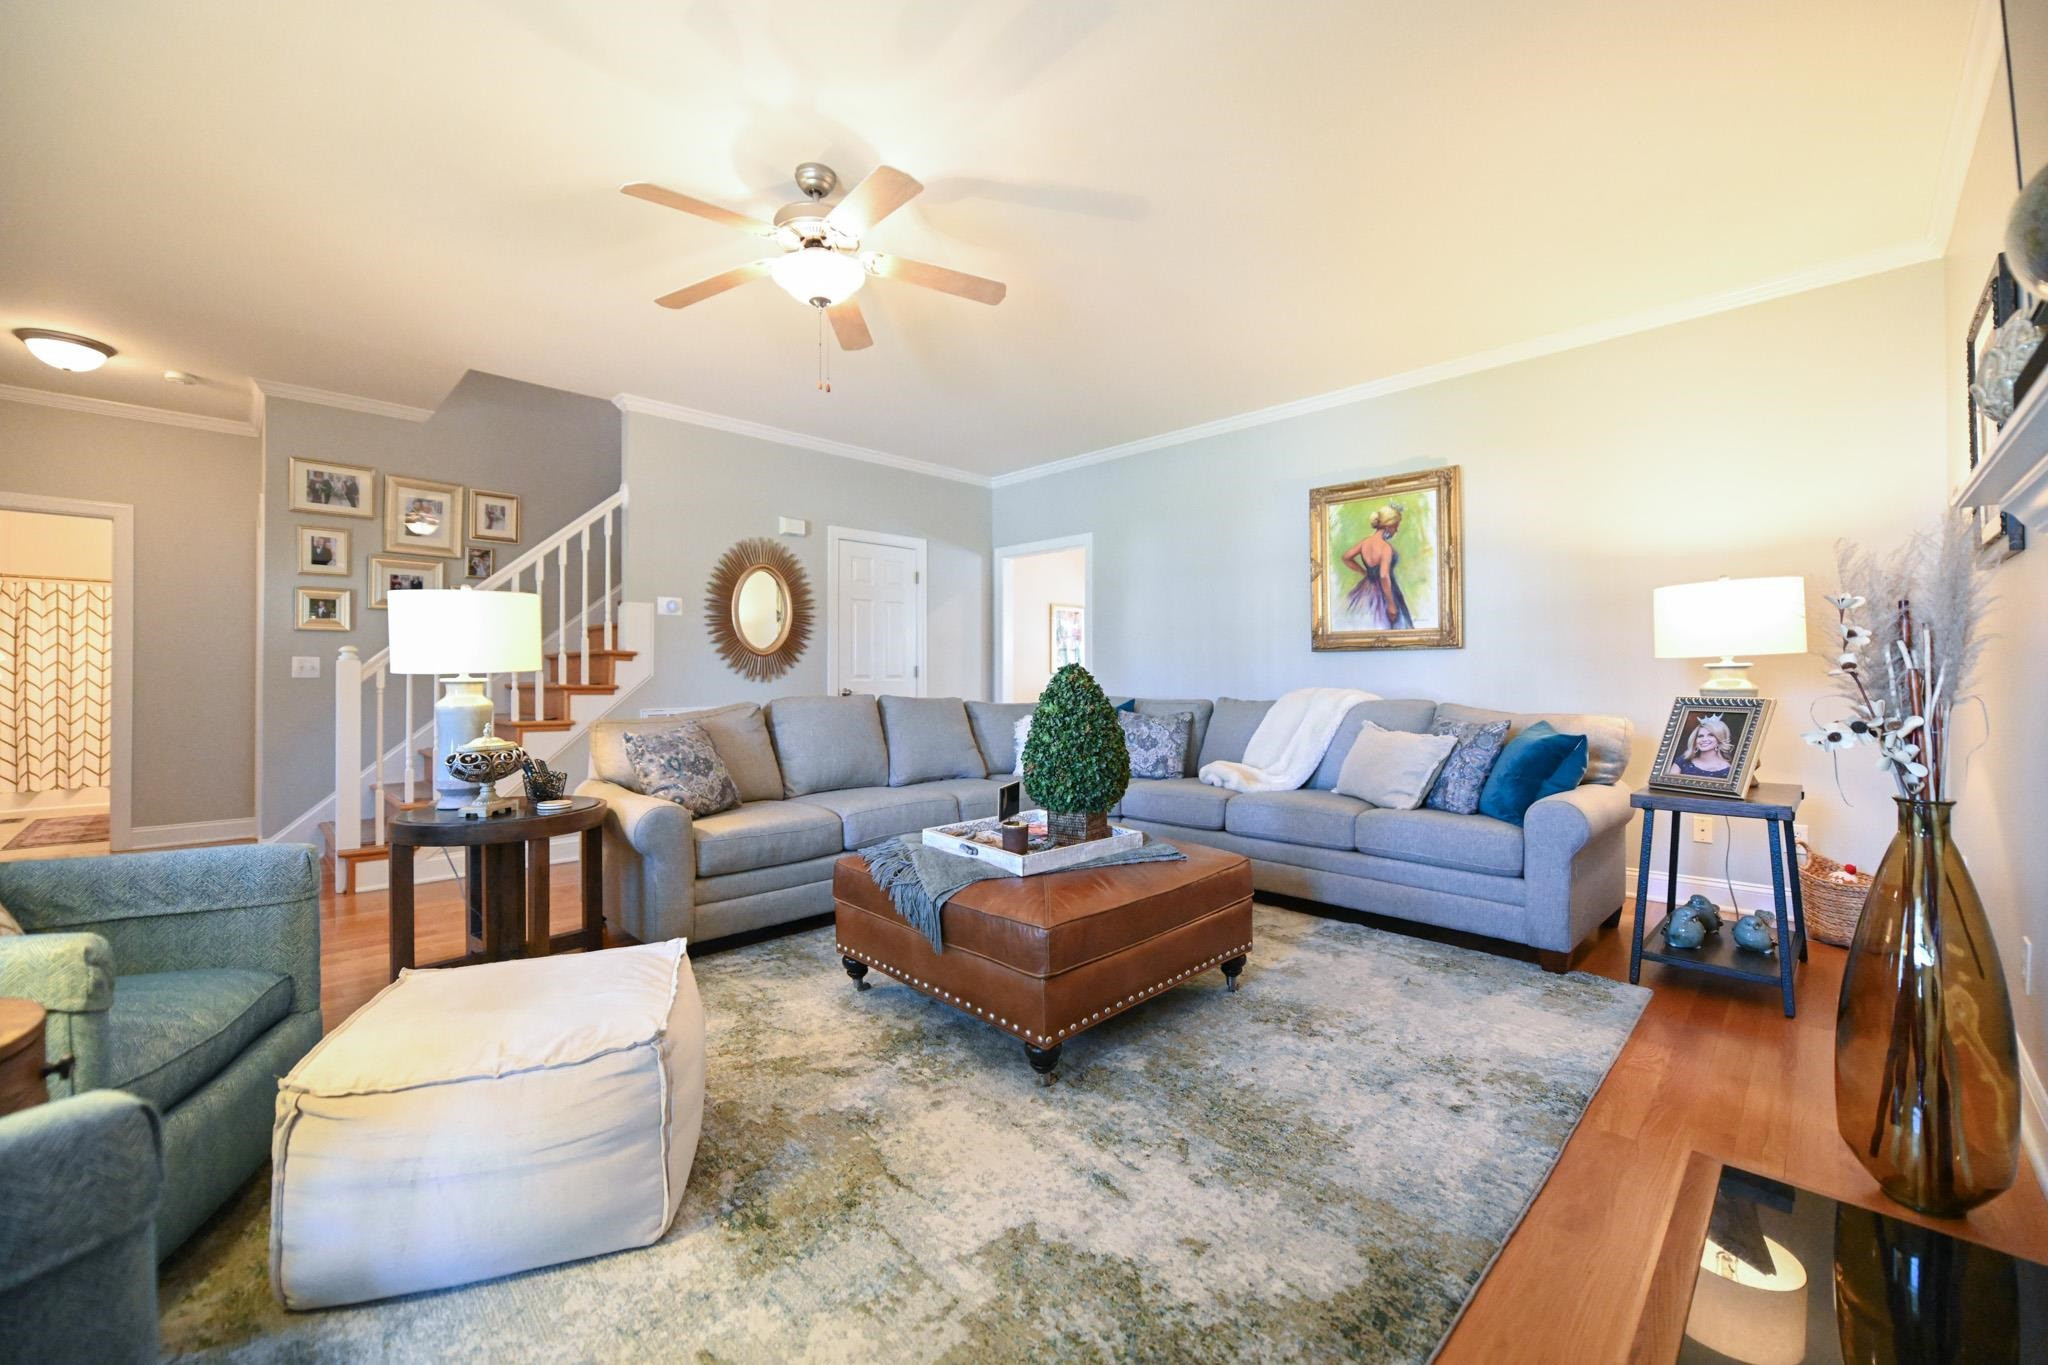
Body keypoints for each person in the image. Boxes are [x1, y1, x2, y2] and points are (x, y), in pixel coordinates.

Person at [1341, 503, 1414, 630]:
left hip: (1367, 589)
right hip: (1387, 591)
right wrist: (1391, 604)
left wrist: (1364, 572)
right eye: (1395, 527)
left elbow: (1346, 557)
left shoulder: (1364, 543)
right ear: (1388, 526)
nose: (1396, 531)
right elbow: (1384, 575)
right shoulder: (1385, 548)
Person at [1667, 714, 1735, 778]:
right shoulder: (1683, 761)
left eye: (1711, 735)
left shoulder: (1727, 771)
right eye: (1700, 736)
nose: (1704, 739)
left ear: (1719, 739)